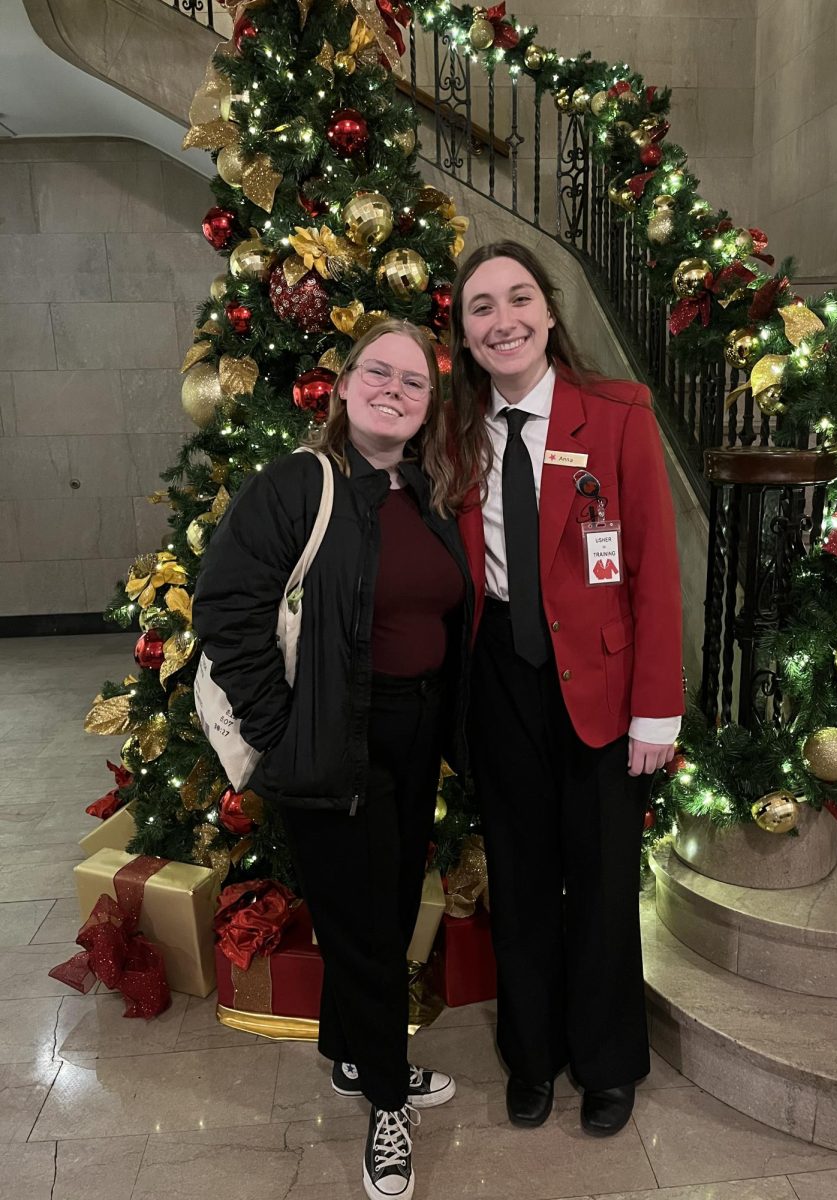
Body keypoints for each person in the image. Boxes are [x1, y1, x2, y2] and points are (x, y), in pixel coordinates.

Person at [193, 320, 473, 1200]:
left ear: (430, 406)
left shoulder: (431, 490)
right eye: (378, 373)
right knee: (364, 929)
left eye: (415, 381)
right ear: (345, 387)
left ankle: (352, 1054)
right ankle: (388, 1104)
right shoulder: (296, 485)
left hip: (414, 735)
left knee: (386, 906)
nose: (396, 388)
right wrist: (281, 732)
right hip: (332, 739)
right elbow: (227, 610)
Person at [449, 241, 683, 1137]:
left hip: (604, 685)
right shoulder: (457, 432)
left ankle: (609, 1061)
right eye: (481, 308)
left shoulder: (617, 415)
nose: (502, 320)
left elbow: (656, 572)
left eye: (518, 300)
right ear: (466, 337)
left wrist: (657, 707)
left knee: (599, 881)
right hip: (498, 683)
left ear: (548, 313)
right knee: (519, 878)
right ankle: (532, 1056)